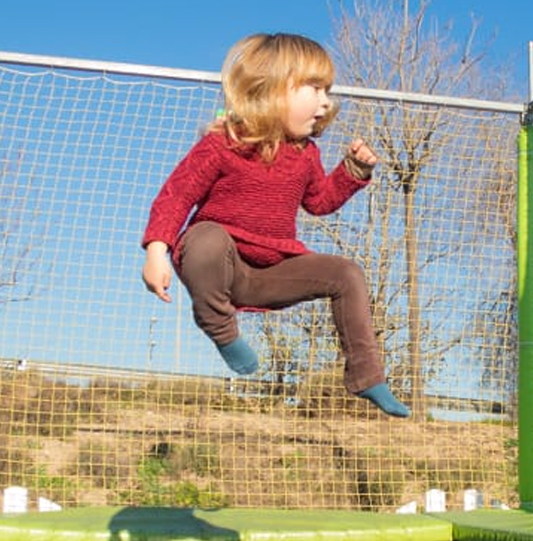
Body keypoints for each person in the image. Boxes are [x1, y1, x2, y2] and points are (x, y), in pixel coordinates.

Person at [141, 32, 409, 418]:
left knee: (346, 272)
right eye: (314, 89)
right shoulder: (224, 143)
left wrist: (352, 171)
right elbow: (176, 196)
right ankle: (220, 328)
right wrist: (156, 250)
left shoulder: (305, 154)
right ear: (272, 91)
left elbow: (319, 202)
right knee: (207, 238)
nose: (325, 102)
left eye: (327, 91)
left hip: (270, 270)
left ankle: (368, 376)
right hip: (218, 264)